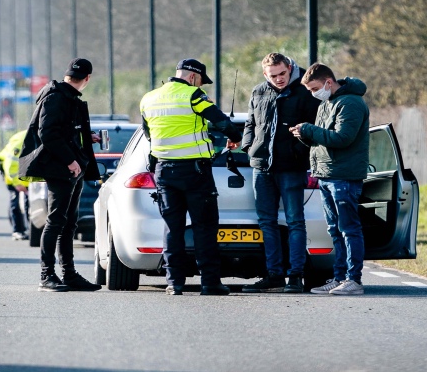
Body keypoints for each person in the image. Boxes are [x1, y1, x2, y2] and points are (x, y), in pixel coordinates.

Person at [140, 59, 243, 296]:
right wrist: (235, 138)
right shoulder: (194, 96)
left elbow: (148, 134)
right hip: (195, 172)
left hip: (164, 171)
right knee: (204, 227)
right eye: (201, 82)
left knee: (172, 228)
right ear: (193, 78)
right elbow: (221, 121)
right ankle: (209, 283)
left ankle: (174, 282)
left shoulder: (149, 98)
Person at [15, 58, 102, 293]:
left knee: (68, 223)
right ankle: (47, 275)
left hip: (70, 168)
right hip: (60, 168)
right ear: (87, 79)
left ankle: (69, 274)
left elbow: (62, 130)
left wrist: (86, 136)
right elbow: (49, 134)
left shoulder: (67, 96)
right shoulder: (56, 96)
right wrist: (70, 161)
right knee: (55, 221)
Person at [241, 53, 320, 294]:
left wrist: (299, 152)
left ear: (290, 68)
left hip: (292, 168)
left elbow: (316, 126)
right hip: (262, 167)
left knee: (295, 221)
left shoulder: (305, 91)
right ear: (265, 75)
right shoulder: (258, 92)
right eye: (273, 76)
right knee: (267, 222)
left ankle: (295, 276)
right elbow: (250, 124)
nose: (278, 79)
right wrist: (249, 147)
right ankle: (273, 275)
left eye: (282, 74)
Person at [290, 63, 369, 296]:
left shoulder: (351, 103)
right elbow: (321, 139)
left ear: (328, 82)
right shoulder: (327, 103)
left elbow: (343, 138)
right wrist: (304, 135)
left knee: (349, 228)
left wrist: (309, 130)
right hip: (325, 173)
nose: (314, 94)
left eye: (315, 88)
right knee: (334, 229)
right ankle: (338, 277)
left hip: (343, 176)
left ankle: (353, 279)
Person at [0, 129, 30, 240]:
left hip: (26, 176)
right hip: (12, 175)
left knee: (28, 203)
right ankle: (17, 230)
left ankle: (30, 229)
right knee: (16, 202)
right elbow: (11, 164)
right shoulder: (22, 140)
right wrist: (17, 184)